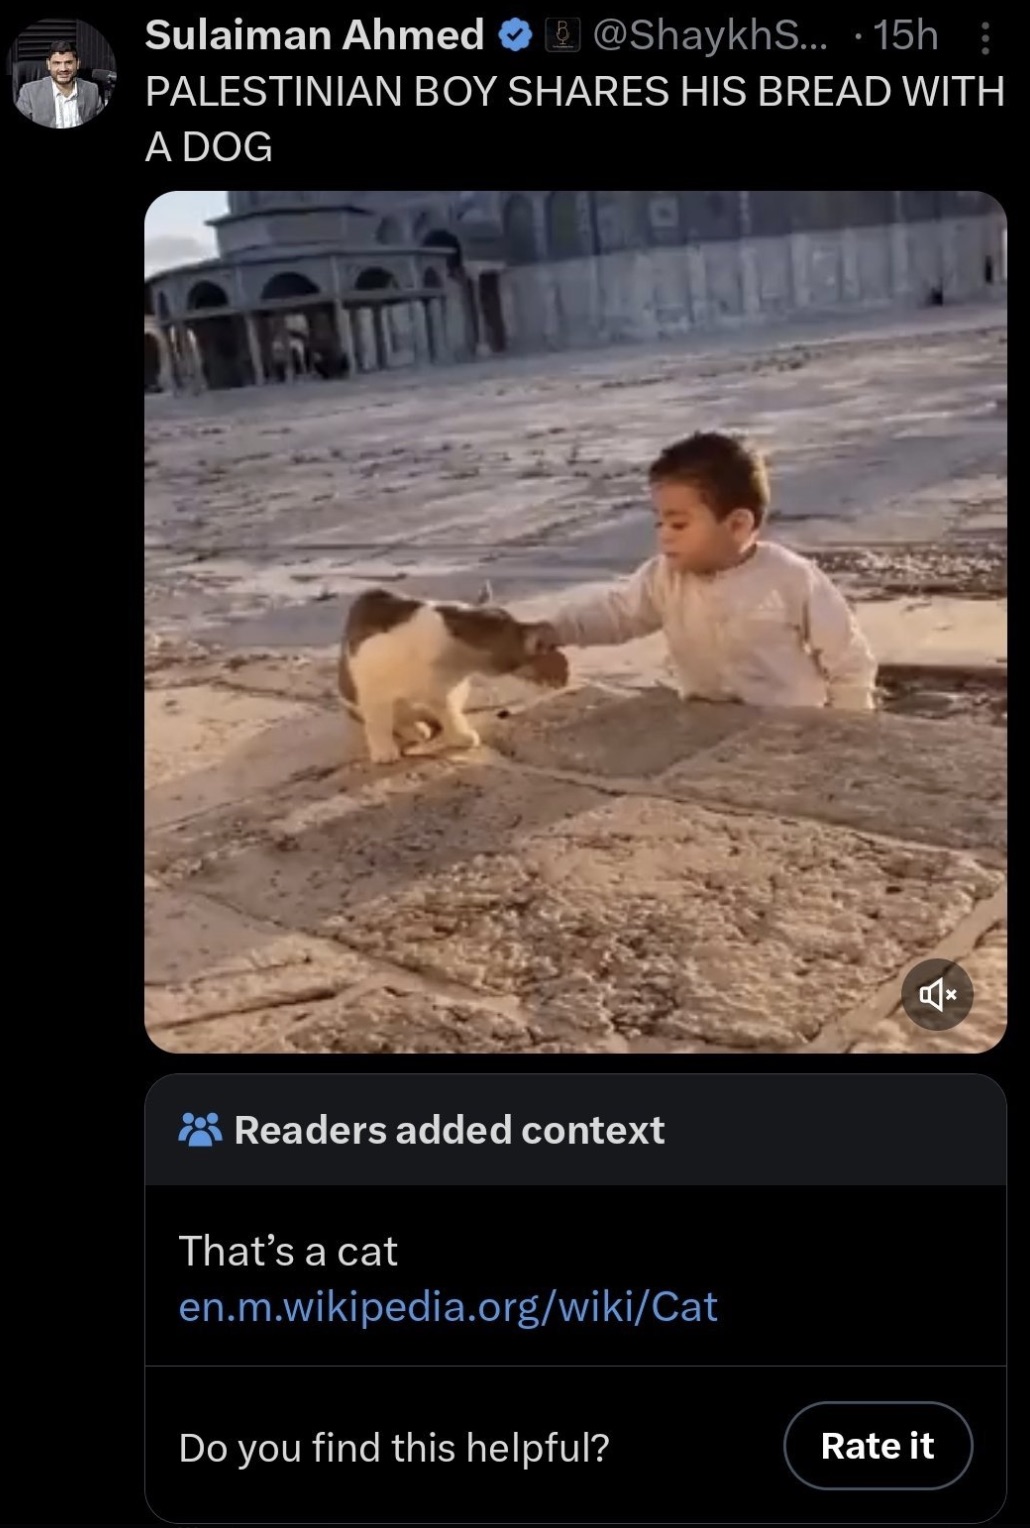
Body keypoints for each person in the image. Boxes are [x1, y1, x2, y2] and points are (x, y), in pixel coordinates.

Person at [538, 431, 878, 711]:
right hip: (703, 722)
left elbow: (847, 656)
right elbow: (618, 614)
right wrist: (553, 631)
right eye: (660, 522)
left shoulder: (791, 577)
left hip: (789, 727)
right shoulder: (663, 577)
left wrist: (849, 723)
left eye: (679, 523)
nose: (664, 534)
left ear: (737, 525)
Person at [16, 40, 101, 128]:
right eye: (57, 63)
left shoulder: (92, 90)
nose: (63, 69)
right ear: (48, 64)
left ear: (78, 64)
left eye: (69, 62)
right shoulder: (29, 93)